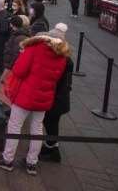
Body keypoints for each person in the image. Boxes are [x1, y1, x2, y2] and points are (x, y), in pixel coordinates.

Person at [0, 23, 69, 176]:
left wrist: (23, 56)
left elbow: (18, 70)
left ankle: (7, 159)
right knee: (37, 130)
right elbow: (57, 78)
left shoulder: (35, 48)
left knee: (14, 126)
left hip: (26, 95)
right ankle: (31, 163)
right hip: (44, 98)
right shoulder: (62, 56)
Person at [39, 27, 73, 163]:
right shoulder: (62, 56)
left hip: (57, 99)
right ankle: (53, 148)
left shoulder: (64, 60)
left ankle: (51, 149)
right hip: (56, 98)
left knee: (51, 123)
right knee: (50, 123)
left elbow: (64, 84)